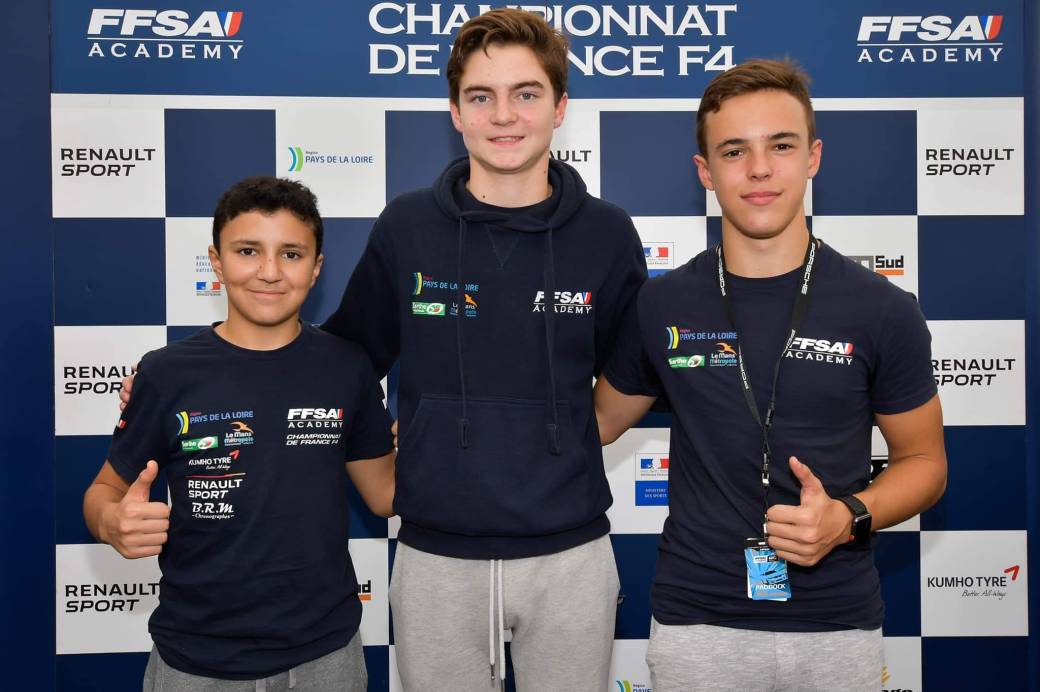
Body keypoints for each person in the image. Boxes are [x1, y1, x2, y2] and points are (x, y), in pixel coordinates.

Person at [594, 59, 947, 692]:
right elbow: (595, 421)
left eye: (780, 146)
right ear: (706, 172)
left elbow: (924, 462)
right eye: (734, 151)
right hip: (699, 624)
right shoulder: (661, 305)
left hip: (836, 625)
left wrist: (849, 515)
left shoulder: (883, 308)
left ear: (813, 157)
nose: (759, 169)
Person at [322, 8, 647, 690]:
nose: (504, 115)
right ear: (455, 112)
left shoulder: (608, 234)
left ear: (560, 107)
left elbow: (635, 370)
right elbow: (339, 363)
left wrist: (566, 433)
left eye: (526, 93)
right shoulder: (407, 225)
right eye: (481, 96)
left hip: (570, 554)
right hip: (436, 557)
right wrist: (204, 373)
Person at [85, 176, 396, 692]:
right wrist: (110, 521)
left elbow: (385, 494)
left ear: (316, 268)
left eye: (291, 254)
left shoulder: (347, 366)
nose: (269, 272)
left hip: (326, 656)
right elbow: (103, 491)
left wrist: (439, 433)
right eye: (248, 251)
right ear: (217, 261)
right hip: (195, 658)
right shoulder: (166, 373)